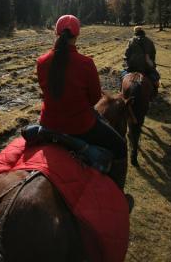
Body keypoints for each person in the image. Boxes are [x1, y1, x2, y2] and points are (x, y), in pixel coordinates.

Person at [37, 14, 127, 188]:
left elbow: (47, 92)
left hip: (48, 122)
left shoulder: (42, 61)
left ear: (56, 33)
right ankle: (117, 193)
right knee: (121, 146)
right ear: (77, 35)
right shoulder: (86, 63)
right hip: (80, 127)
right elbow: (94, 99)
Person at [123, 26, 160, 92]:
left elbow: (126, 55)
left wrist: (127, 63)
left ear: (135, 32)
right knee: (156, 77)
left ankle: (121, 91)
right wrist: (152, 64)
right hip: (146, 67)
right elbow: (153, 55)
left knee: (123, 75)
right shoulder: (149, 41)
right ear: (143, 31)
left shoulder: (131, 41)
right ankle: (155, 91)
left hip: (132, 67)